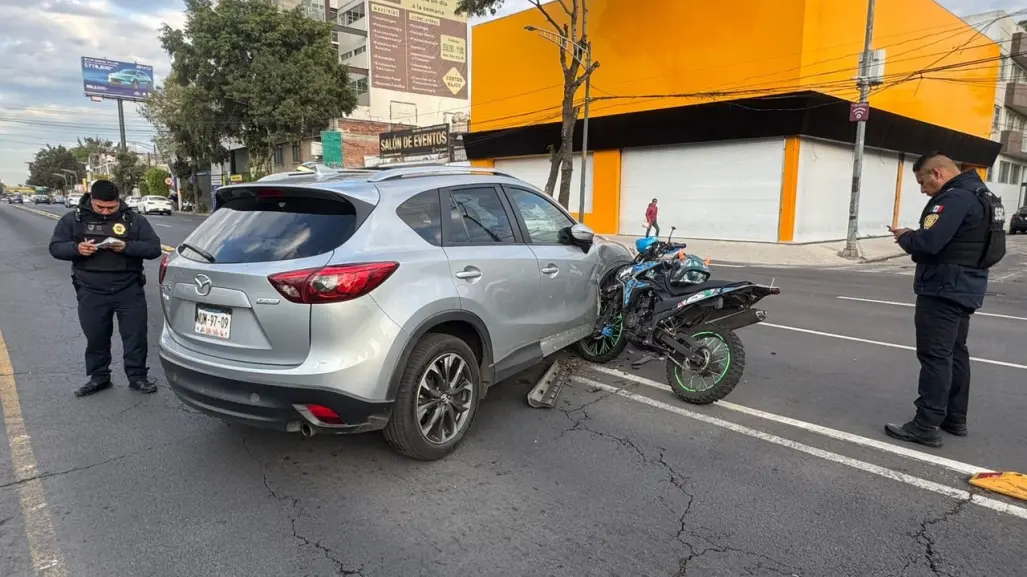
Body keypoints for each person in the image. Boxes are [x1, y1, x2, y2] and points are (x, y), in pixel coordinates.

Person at [884, 153, 1005, 448]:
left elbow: (928, 243)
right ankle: (954, 418)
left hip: (942, 287)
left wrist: (905, 237)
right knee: (955, 351)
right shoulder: (986, 196)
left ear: (937, 173)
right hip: (968, 285)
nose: (923, 189)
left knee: (935, 356)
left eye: (923, 182)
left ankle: (926, 424)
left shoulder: (954, 199)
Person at [48, 180, 164, 397]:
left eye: (111, 207)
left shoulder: (133, 219)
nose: (106, 211)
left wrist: (127, 247)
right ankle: (99, 377)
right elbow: (55, 247)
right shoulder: (74, 219)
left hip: (128, 288)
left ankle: (138, 377)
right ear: (91, 200)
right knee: (96, 336)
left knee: (135, 336)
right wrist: (77, 248)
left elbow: (154, 248)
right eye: (100, 207)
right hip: (91, 289)